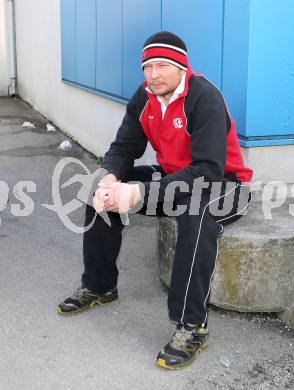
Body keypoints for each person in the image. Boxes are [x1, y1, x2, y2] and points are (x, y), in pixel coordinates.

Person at [57, 31, 253, 370]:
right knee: (99, 193)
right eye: (147, 66)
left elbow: (207, 170)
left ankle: (192, 327)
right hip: (174, 176)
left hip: (225, 183)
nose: (153, 74)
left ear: (181, 66)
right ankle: (100, 286)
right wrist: (110, 177)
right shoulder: (144, 96)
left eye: (162, 65)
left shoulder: (204, 97)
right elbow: (124, 147)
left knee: (195, 216)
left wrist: (142, 192)